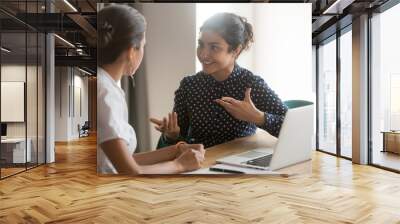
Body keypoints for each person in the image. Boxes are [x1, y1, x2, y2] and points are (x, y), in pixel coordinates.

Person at [151, 13, 288, 148]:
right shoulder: (189, 85)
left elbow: (293, 127)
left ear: (236, 50)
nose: (203, 54)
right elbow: (180, 138)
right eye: (201, 45)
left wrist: (258, 117)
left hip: (240, 164)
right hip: (201, 163)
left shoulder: (252, 85)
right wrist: (171, 136)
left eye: (214, 47)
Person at [97, 5, 205, 175]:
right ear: (132, 51)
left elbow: (117, 163)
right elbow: (131, 172)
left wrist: (176, 151)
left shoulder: (105, 85)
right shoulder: (105, 93)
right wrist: (179, 165)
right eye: (143, 46)